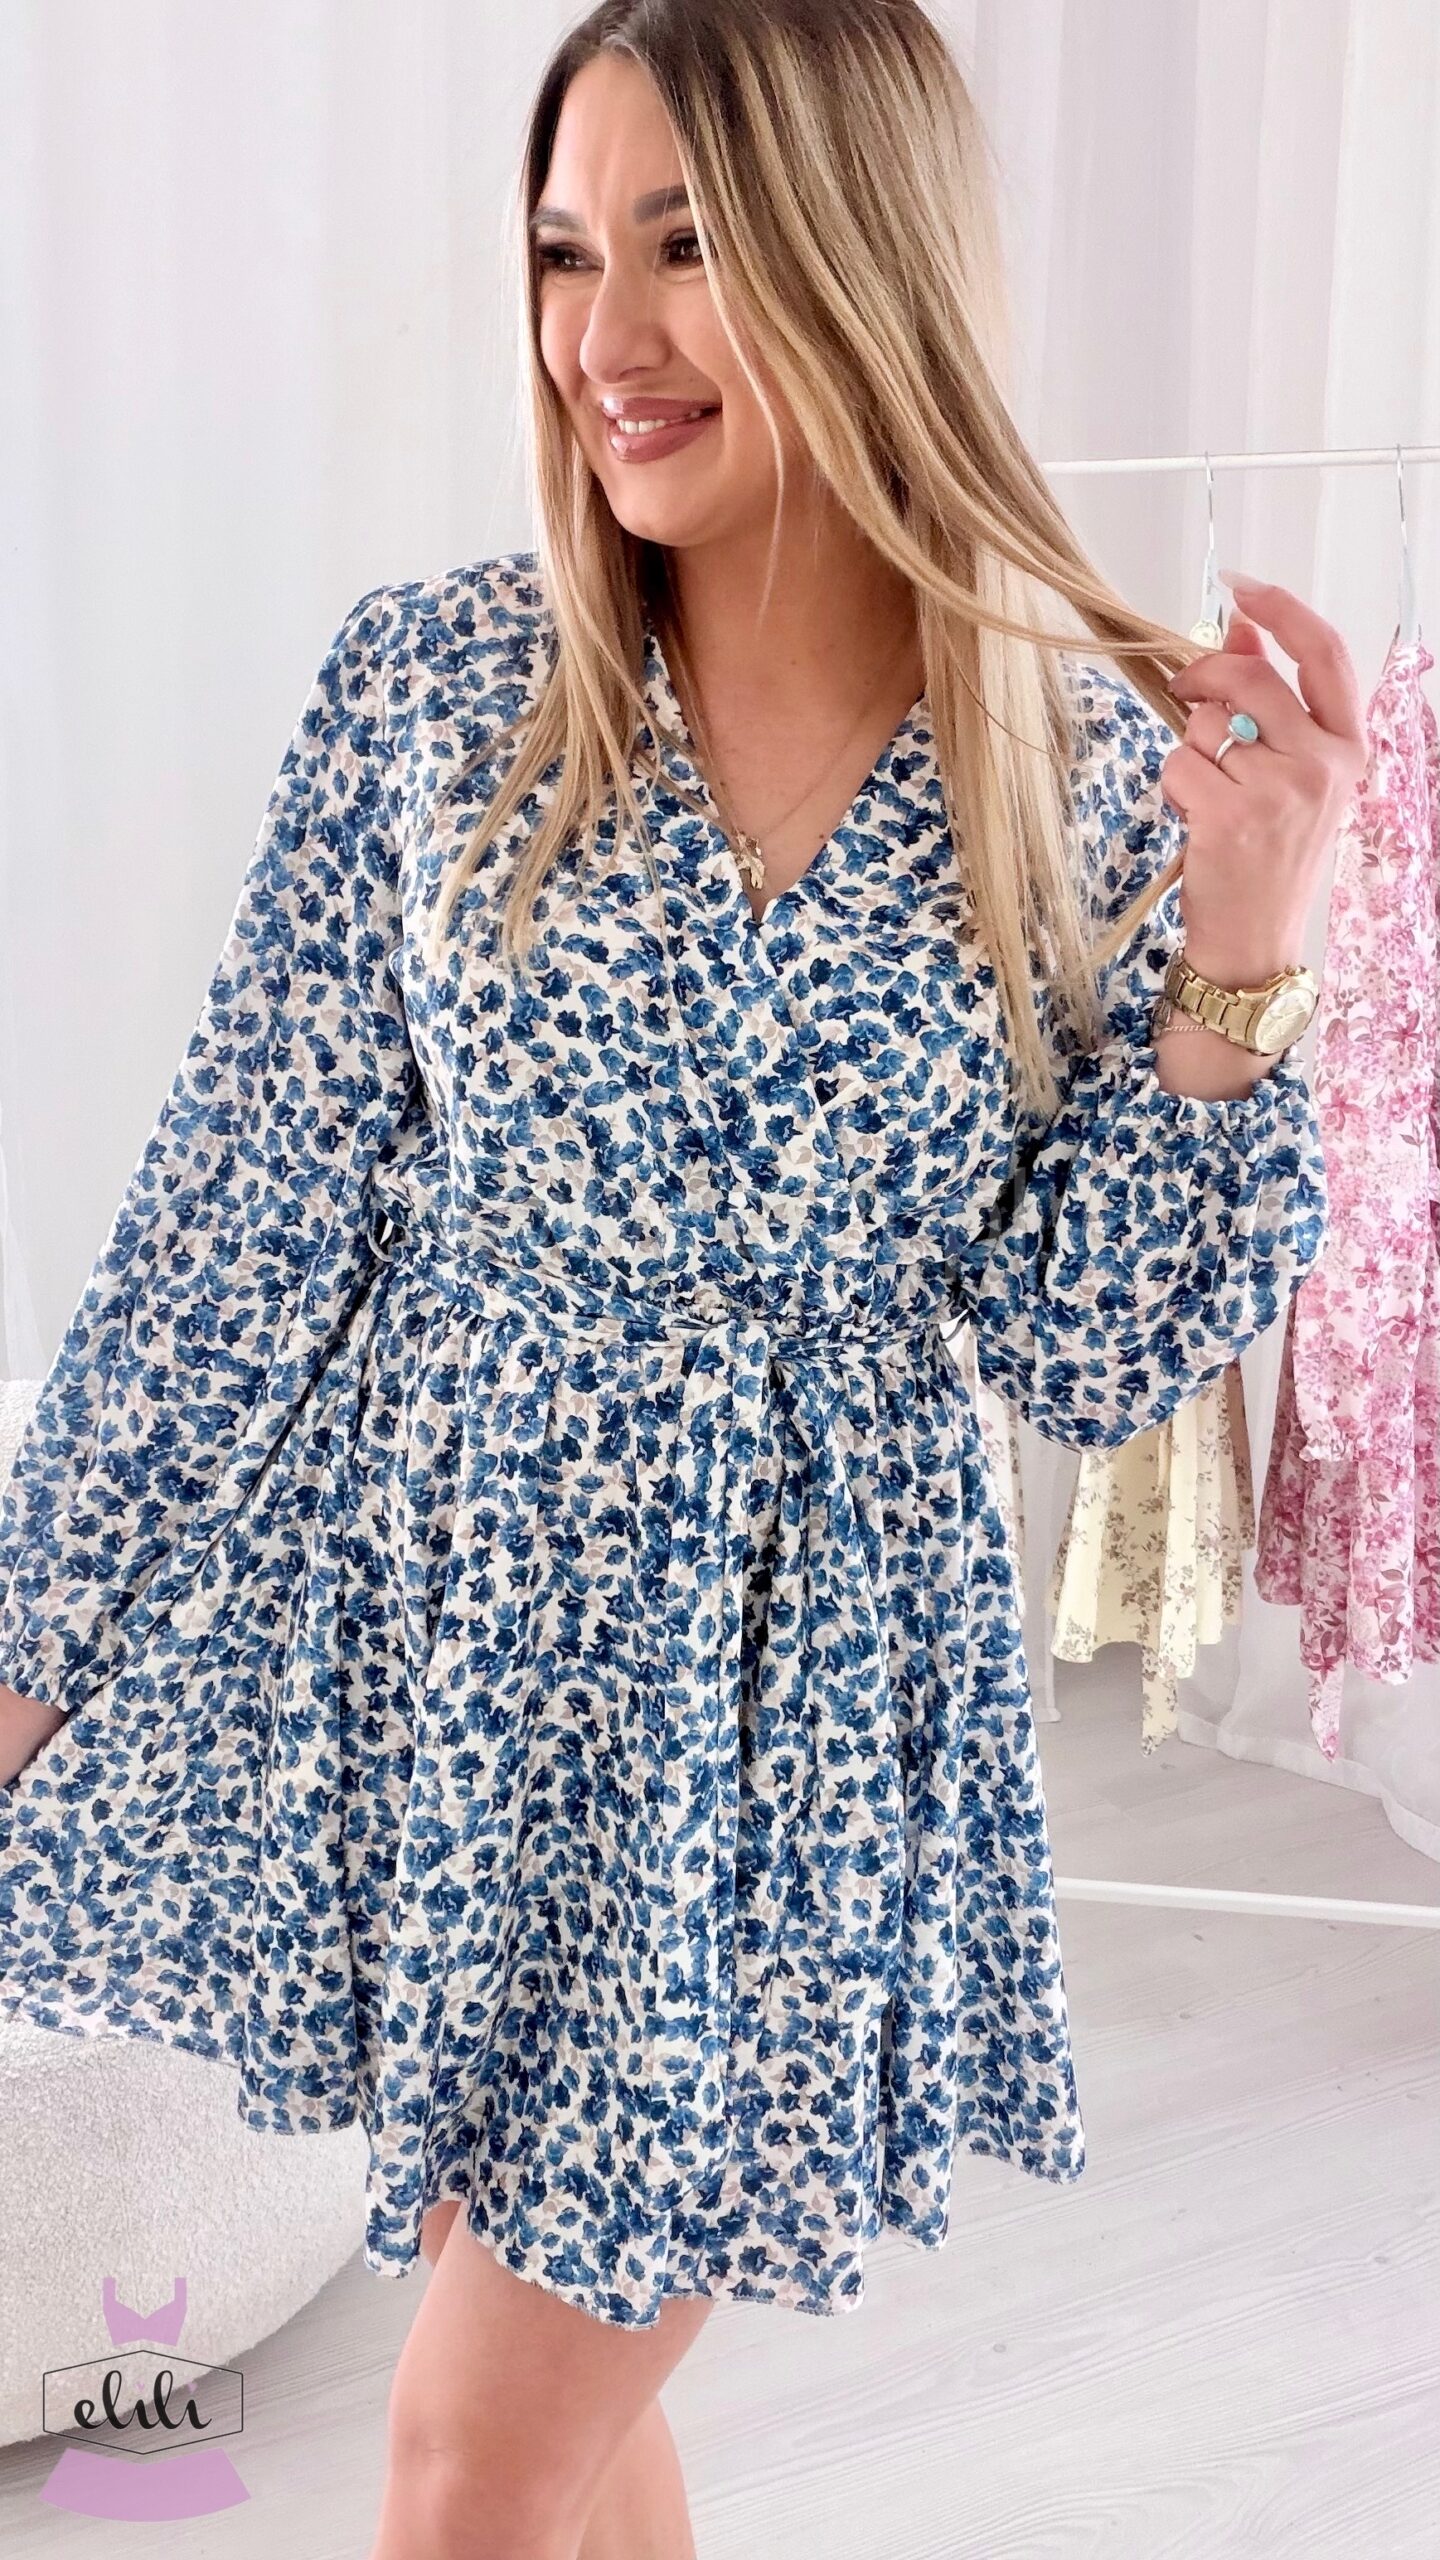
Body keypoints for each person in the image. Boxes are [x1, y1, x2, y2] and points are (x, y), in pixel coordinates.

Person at [0, 5, 1363, 2556]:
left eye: (685, 243)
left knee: (466, 2455)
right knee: (558, 2433)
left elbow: (1082, 1349)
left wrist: (1247, 954)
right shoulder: (434, 692)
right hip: (444, 1679)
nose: (599, 333)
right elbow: (231, 1232)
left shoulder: (1078, 765)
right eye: (561, 250)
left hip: (783, 1730)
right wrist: (29, 1655)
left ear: (862, 257)